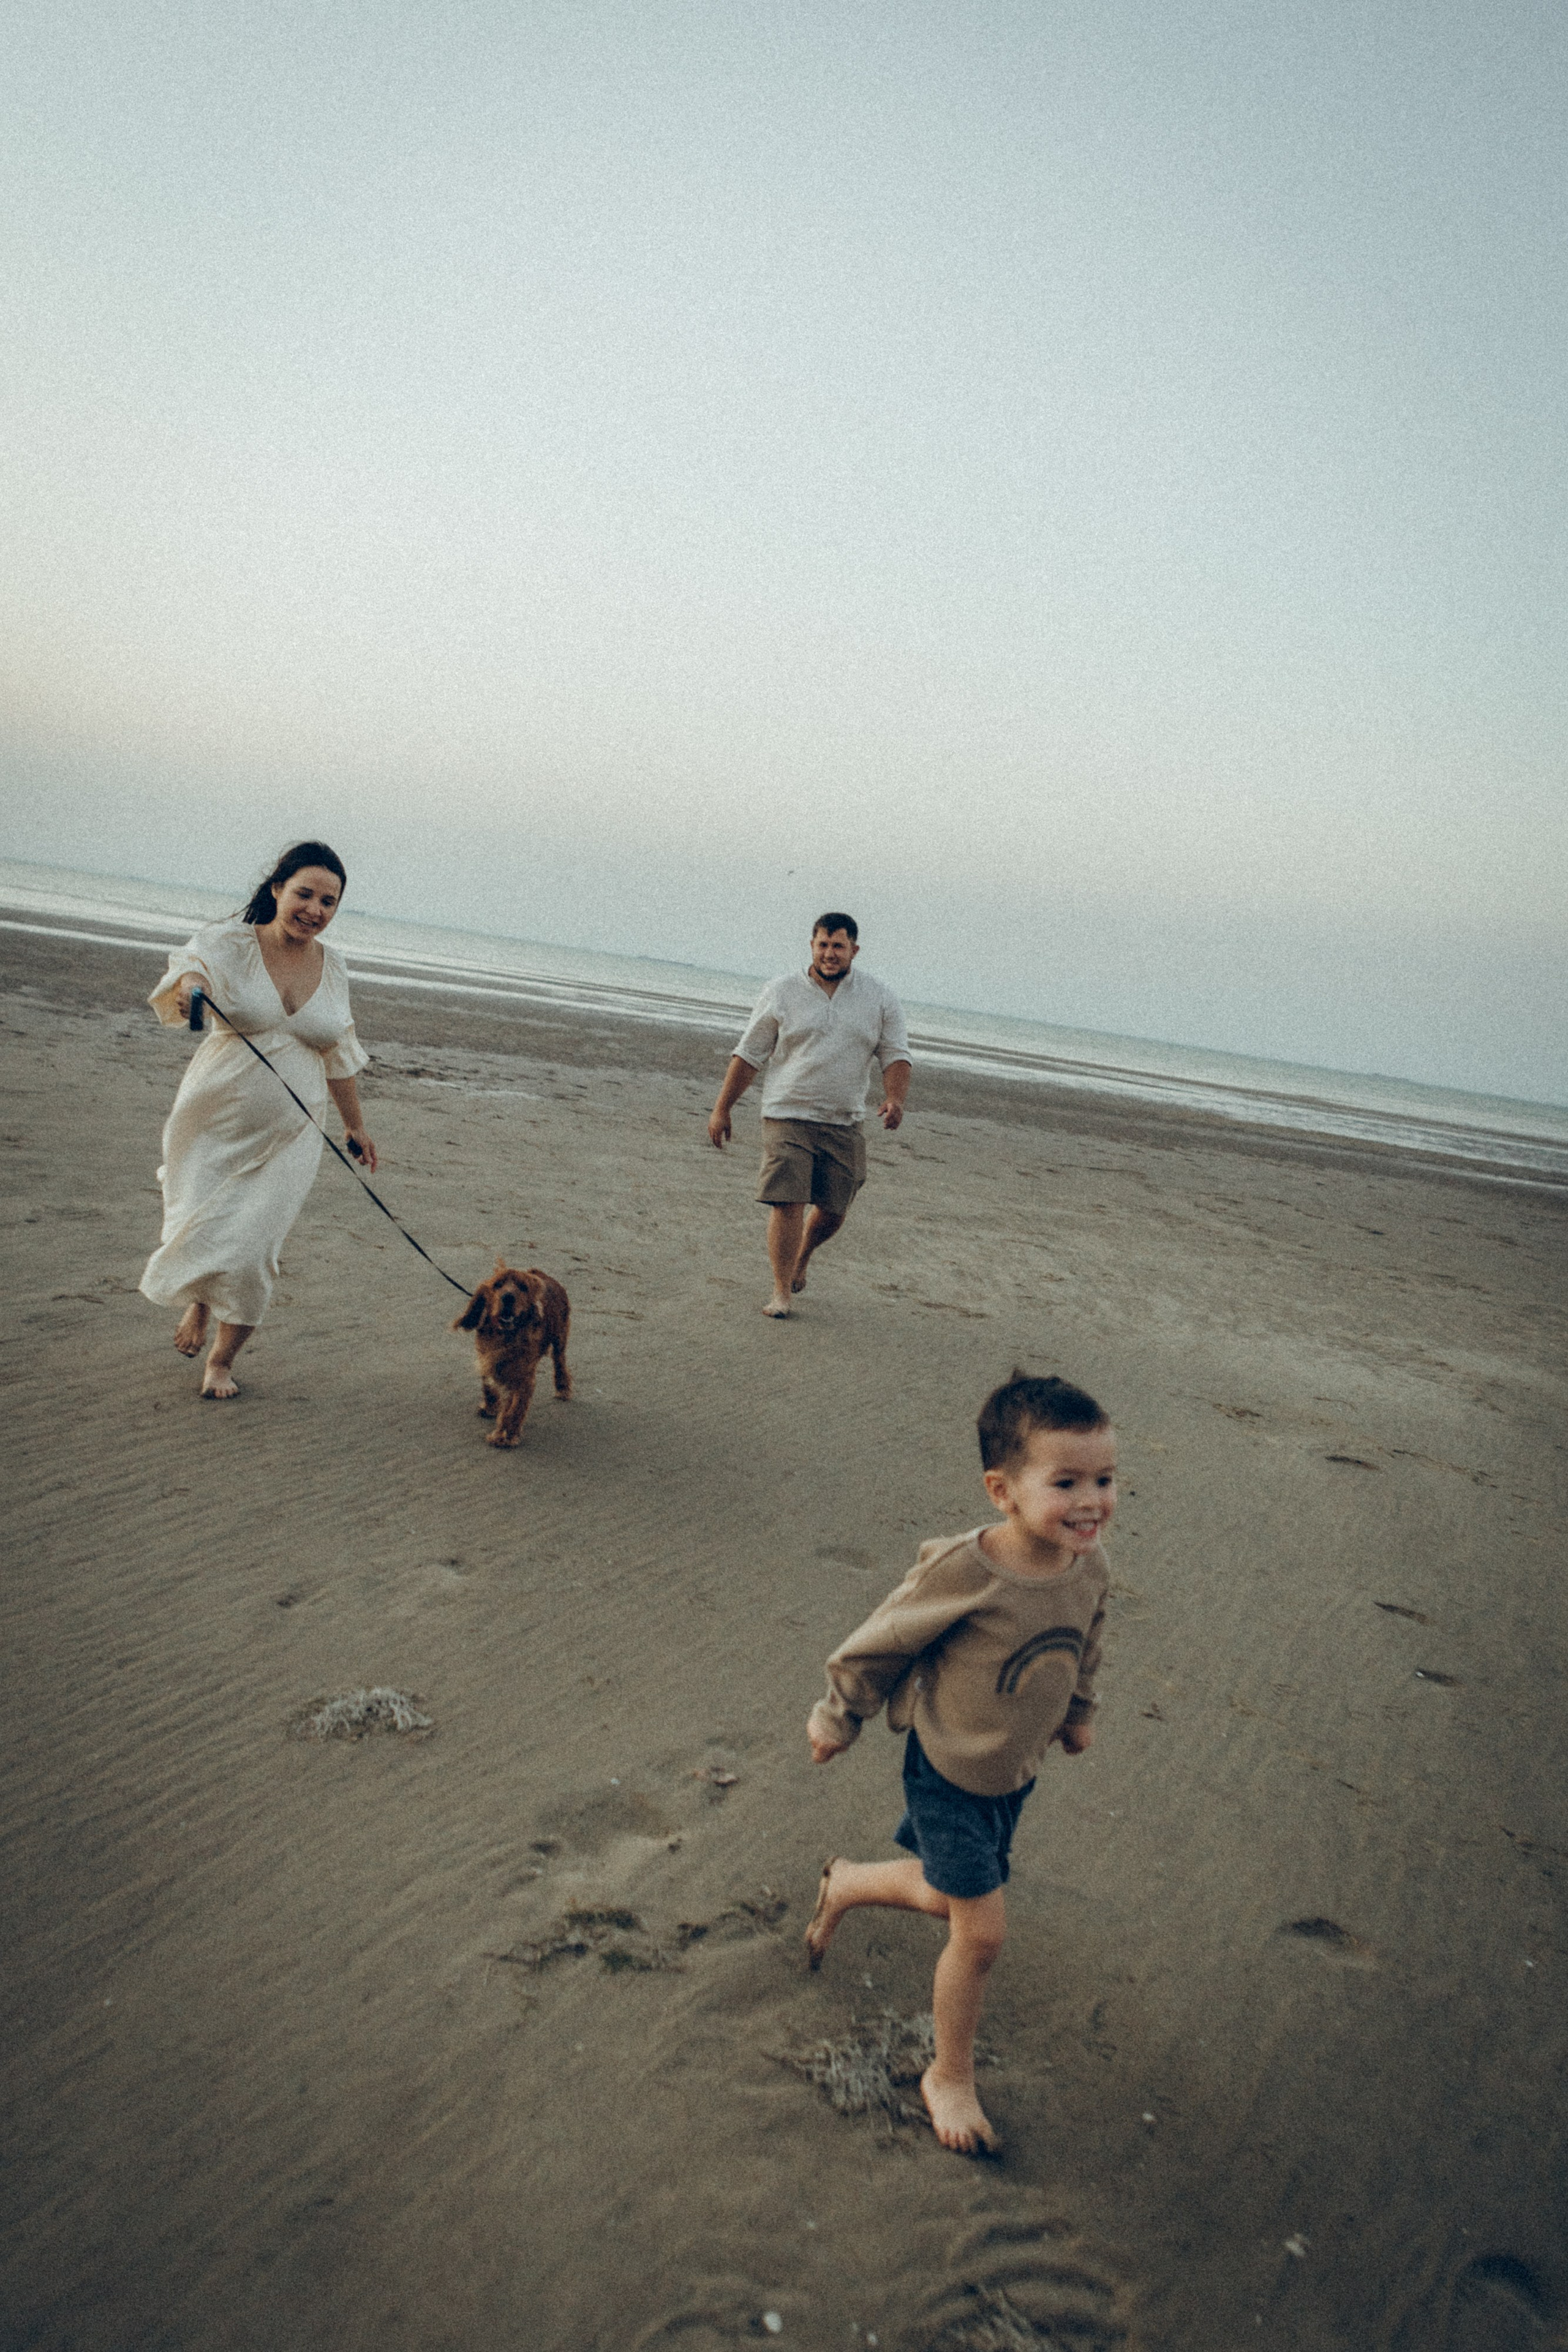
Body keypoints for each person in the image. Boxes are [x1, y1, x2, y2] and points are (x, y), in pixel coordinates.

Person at [803, 1371, 1115, 2155]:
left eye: (1105, 1480)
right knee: (981, 1935)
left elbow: (1086, 1640)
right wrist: (838, 1716)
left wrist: (1079, 1711)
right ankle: (949, 2075)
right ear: (1001, 1491)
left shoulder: (1089, 1567)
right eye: (1066, 1483)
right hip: (946, 1771)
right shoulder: (968, 1571)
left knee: (949, 1897)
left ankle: (846, 1884)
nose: (1092, 1502)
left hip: (1013, 1774)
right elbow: (881, 1640)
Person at [138, 841, 377, 1401]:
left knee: (255, 1249)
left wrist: (355, 1126)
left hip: (294, 1131)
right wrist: (192, 991)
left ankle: (221, 1361)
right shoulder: (231, 943)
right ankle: (201, 1302)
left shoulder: (334, 966)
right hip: (213, 1121)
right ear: (277, 889)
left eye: (329, 901)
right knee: (198, 1223)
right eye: (305, 894)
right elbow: (190, 971)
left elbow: (339, 1052)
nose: (315, 910)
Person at [707, 913, 911, 1317]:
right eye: (823, 945)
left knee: (835, 1209)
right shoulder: (782, 990)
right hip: (787, 1112)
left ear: (854, 950)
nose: (830, 954)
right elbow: (749, 1054)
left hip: (844, 1118)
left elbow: (895, 1055)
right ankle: (781, 1291)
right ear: (812, 946)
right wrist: (722, 1109)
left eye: (838, 946)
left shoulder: (880, 997)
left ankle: (802, 1256)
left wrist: (895, 1099)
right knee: (788, 1201)